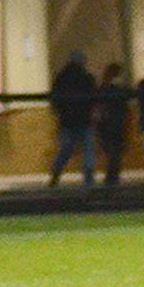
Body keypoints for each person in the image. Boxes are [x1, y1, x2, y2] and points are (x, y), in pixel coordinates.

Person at [47, 50, 96, 187]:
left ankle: (56, 174)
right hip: (85, 120)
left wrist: (59, 113)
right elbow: (93, 97)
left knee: (66, 149)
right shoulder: (87, 77)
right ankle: (88, 181)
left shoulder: (61, 77)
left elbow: (55, 99)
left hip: (67, 120)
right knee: (88, 150)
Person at [94, 62, 131, 186]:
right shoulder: (120, 89)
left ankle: (111, 177)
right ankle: (112, 177)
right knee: (116, 152)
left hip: (106, 123)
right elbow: (125, 104)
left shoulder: (102, 88)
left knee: (111, 152)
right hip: (117, 122)